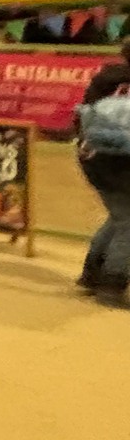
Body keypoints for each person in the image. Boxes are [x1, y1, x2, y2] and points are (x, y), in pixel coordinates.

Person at [76, 37, 130, 297]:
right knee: (127, 221)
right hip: (118, 160)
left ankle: (92, 273)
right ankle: (112, 282)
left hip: (94, 157)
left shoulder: (106, 78)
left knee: (119, 216)